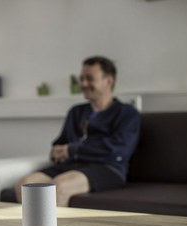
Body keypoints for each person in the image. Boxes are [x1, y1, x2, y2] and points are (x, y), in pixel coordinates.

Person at [15, 56, 140, 207]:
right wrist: (56, 152)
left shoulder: (127, 113)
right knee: (25, 185)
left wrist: (73, 150)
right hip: (71, 166)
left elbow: (118, 149)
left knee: (58, 187)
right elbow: (62, 142)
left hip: (107, 168)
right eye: (82, 78)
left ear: (109, 80)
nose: (83, 83)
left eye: (89, 78)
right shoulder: (76, 112)